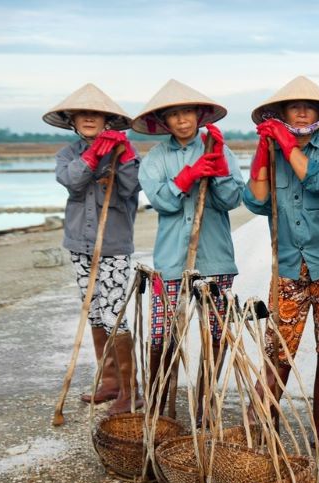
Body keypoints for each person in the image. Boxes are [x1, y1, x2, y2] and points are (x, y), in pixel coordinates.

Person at [243, 76, 319, 444]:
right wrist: (263, 154)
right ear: (283, 113)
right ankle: (263, 423)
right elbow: (258, 201)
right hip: (290, 264)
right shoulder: (274, 152)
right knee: (278, 346)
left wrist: (287, 144)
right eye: (295, 106)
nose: (303, 110)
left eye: (310, 106)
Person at [132, 79, 244, 422]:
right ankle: (157, 407)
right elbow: (162, 202)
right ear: (164, 122)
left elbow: (232, 199)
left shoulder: (217, 148)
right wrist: (189, 175)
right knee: (162, 335)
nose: (182, 120)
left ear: (198, 115)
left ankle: (205, 405)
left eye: (187, 113)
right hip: (171, 260)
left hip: (215, 257)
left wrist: (218, 170)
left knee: (214, 334)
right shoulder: (156, 159)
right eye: (174, 115)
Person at [43, 83, 143, 414]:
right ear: (72, 120)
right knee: (95, 311)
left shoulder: (125, 150)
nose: (89, 119)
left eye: (96, 115)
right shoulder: (67, 154)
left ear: (107, 121)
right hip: (79, 245)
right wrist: (94, 153)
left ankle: (131, 390)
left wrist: (122, 155)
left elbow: (131, 188)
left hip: (113, 245)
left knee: (115, 314)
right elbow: (71, 180)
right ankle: (111, 382)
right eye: (83, 114)